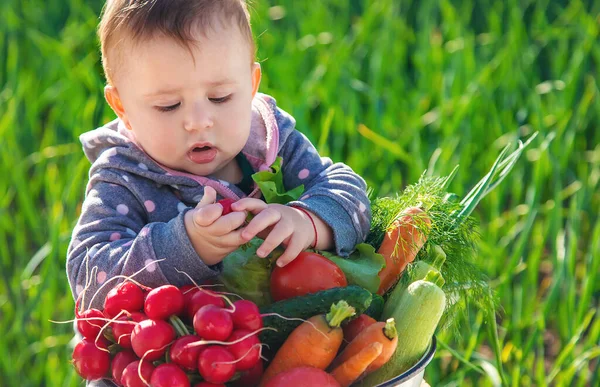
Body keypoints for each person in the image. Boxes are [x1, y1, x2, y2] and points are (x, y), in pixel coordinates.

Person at [67, 0, 371, 358]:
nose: (198, 120)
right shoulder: (123, 178)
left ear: (252, 84)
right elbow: (89, 276)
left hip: (291, 347)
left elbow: (349, 192)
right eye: (168, 105)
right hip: (174, 361)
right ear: (122, 107)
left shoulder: (270, 142)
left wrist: (309, 219)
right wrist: (185, 246)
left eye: (220, 97)